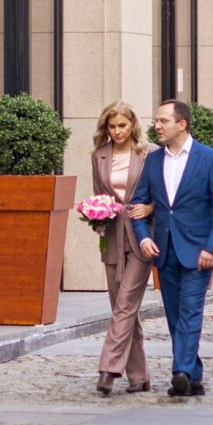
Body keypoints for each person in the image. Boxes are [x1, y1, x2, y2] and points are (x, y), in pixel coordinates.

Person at [131, 99, 213, 398]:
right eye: (157, 121)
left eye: (163, 121)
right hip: (163, 250)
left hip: (198, 251)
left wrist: (212, 248)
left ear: (182, 124)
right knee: (175, 315)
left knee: (190, 311)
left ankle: (181, 371)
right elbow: (139, 205)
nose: (156, 126)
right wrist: (143, 237)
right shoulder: (152, 161)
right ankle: (195, 375)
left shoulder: (210, 158)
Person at [88, 102, 155, 396]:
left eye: (122, 126)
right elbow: (99, 195)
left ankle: (107, 369)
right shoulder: (98, 156)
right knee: (121, 308)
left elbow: (162, 194)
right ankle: (139, 377)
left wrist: (150, 207)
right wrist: (95, 217)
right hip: (111, 236)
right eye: (112, 126)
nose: (117, 132)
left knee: (126, 303)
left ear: (133, 125)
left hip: (142, 236)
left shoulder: (149, 154)